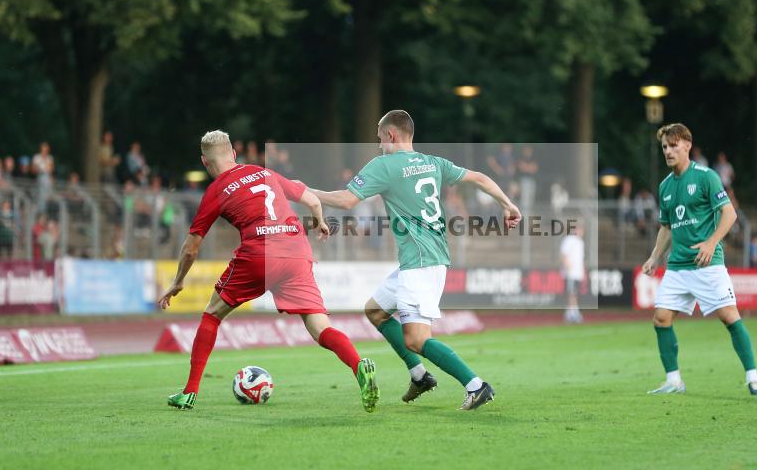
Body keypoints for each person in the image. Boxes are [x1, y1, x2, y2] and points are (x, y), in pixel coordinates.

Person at [309, 110, 522, 410]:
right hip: (426, 258)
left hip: (421, 264)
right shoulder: (433, 163)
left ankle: (476, 385)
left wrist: (304, 192)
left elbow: (346, 200)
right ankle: (419, 375)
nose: (379, 145)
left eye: (380, 138)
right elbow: (480, 177)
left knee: (416, 340)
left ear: (391, 135)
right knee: (376, 311)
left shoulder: (385, 165)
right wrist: (508, 204)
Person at [158, 130, 379, 412]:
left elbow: (191, 248)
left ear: (205, 162)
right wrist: (320, 222)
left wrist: (178, 282)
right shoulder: (264, 173)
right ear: (234, 155)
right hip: (297, 251)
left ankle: (189, 392)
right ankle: (359, 366)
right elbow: (312, 200)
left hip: (260, 254)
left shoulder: (215, 190)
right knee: (320, 327)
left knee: (212, 315)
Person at [642, 123, 757, 396]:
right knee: (661, 318)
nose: (668, 150)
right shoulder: (664, 186)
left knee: (729, 318)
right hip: (677, 266)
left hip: (706, 264)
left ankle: (753, 378)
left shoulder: (706, 177)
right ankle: (674, 381)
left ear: (687, 145)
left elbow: (729, 214)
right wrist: (654, 257)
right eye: (664, 146)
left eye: (673, 145)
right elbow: (666, 227)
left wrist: (712, 243)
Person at [560, 219, 585, 323]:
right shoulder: (569, 240)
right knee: (571, 293)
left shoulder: (580, 242)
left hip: (577, 273)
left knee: (574, 293)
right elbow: (563, 254)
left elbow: (581, 259)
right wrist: (567, 267)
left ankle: (572, 312)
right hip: (570, 273)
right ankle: (572, 313)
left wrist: (583, 271)